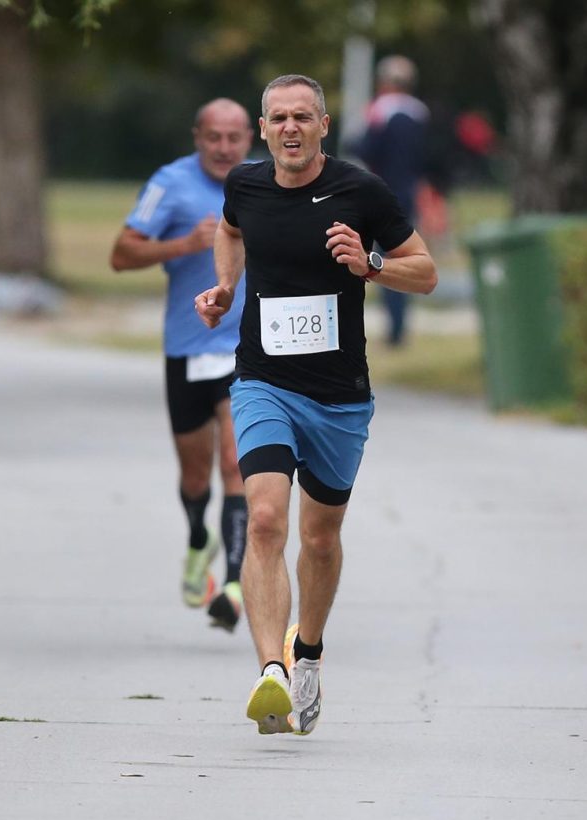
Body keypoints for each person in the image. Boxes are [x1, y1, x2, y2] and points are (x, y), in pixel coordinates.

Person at [195, 75, 437, 735]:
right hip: (263, 382)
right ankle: (270, 669)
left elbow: (426, 269)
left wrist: (371, 263)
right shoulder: (245, 185)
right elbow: (229, 231)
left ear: (324, 125)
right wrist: (223, 287)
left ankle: (308, 652)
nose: (292, 128)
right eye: (280, 118)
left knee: (320, 537)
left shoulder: (361, 191)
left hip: (338, 398)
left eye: (304, 116)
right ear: (264, 127)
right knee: (267, 519)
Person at [110, 99, 253, 632]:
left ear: (250, 138)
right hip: (188, 349)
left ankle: (235, 585)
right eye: (213, 137)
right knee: (196, 475)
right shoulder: (170, 183)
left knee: (237, 464)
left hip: (246, 351)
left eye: (234, 137)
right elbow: (121, 254)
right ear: (198, 137)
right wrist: (182, 245)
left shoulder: (263, 184)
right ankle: (199, 537)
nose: (223, 148)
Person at [351, 55, 431, 347]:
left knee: (379, 261)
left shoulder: (381, 111)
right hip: (409, 192)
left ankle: (393, 328)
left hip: (382, 192)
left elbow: (364, 147)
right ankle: (400, 326)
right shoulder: (420, 114)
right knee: (406, 255)